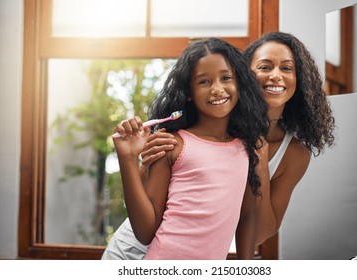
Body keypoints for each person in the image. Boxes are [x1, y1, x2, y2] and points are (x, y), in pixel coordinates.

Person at [102, 32, 335, 259]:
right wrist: (139, 162)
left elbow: (255, 229)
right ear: (245, 75)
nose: (275, 76)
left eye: (286, 68)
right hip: (135, 251)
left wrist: (259, 163)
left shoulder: (286, 151)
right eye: (264, 67)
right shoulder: (198, 129)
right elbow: (146, 208)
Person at [107, 37, 269, 260]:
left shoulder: (248, 148)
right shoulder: (172, 144)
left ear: (239, 83)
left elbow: (248, 217)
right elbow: (145, 233)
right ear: (189, 92)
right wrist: (127, 159)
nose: (217, 89)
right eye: (204, 82)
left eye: (226, 78)